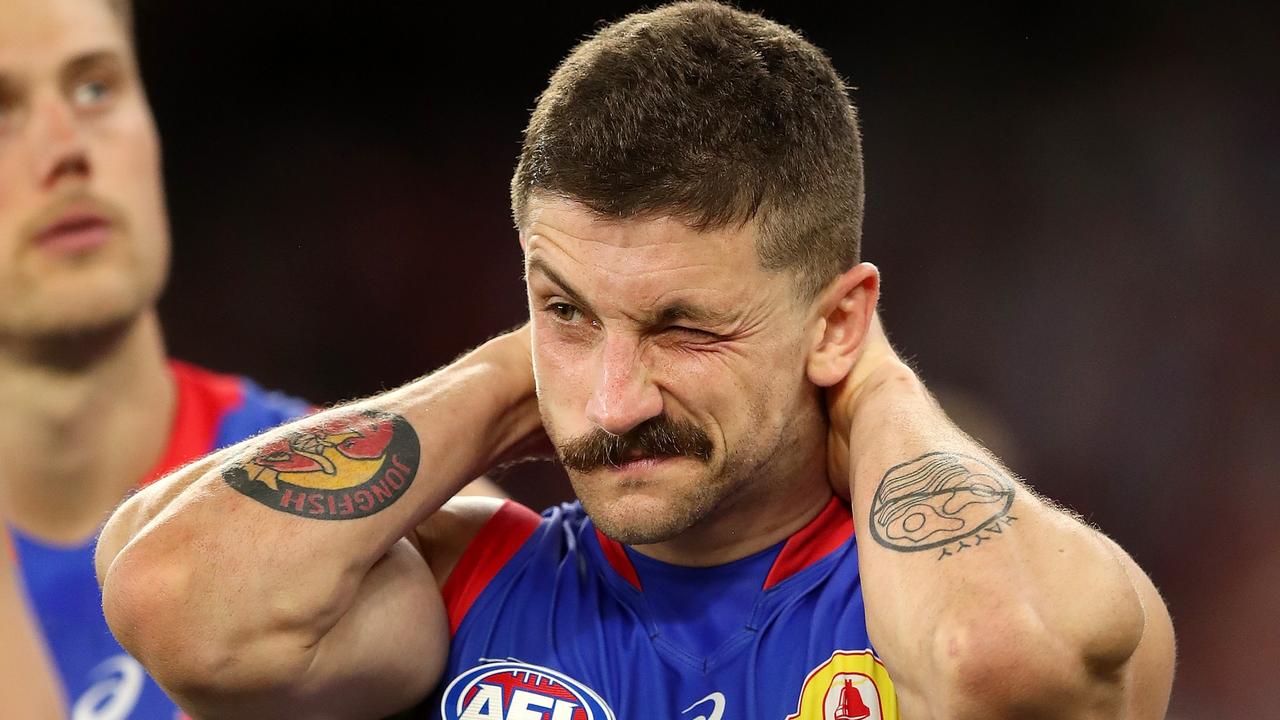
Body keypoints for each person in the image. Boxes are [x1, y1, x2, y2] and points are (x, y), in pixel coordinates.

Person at [96, 2, 1176, 719]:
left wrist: (878, 387)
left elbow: (1002, 659)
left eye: (683, 327)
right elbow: (170, 594)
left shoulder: (940, 604)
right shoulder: (464, 585)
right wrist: (517, 374)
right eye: (563, 311)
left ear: (836, 323)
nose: (610, 401)